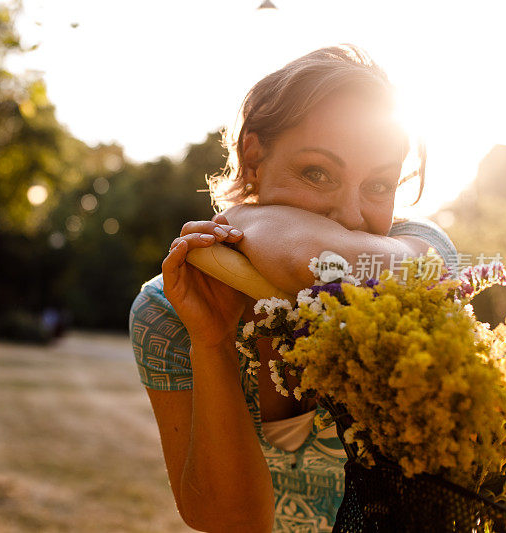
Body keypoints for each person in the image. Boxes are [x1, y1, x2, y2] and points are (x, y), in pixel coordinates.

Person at [128, 45, 459, 532]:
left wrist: (247, 216)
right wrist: (214, 344)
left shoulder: (422, 251)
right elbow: (229, 521)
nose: (350, 216)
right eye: (317, 174)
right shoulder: (170, 310)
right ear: (254, 156)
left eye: (379, 185)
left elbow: (328, 265)